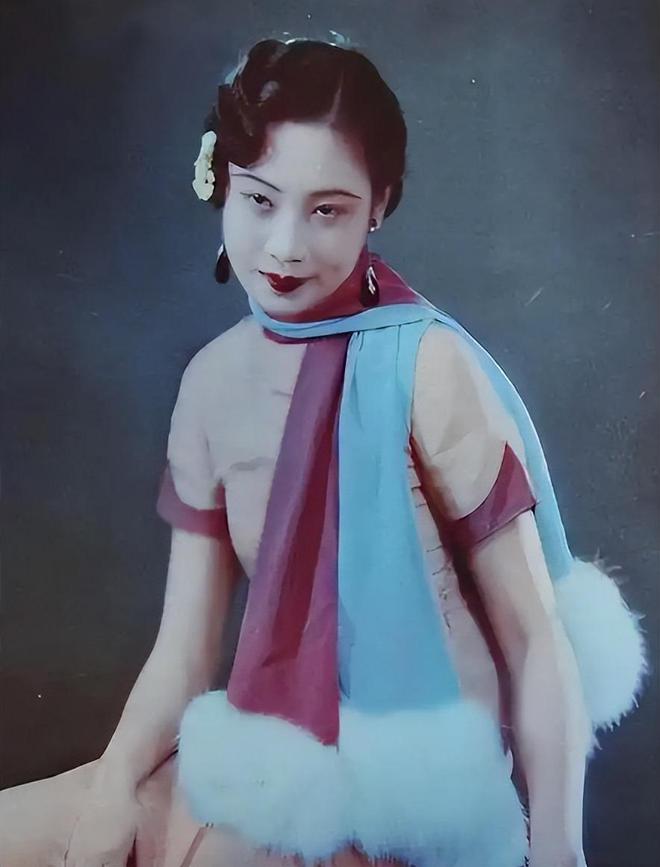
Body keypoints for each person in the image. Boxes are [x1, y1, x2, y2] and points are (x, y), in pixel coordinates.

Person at [0, 36, 648, 867]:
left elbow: (535, 635)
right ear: (220, 180)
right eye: (259, 199)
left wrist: (559, 851)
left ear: (379, 204)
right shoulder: (211, 385)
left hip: (407, 812)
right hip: (274, 761)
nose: (284, 246)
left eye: (327, 210)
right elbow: (185, 651)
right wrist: (115, 786)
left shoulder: (426, 366)